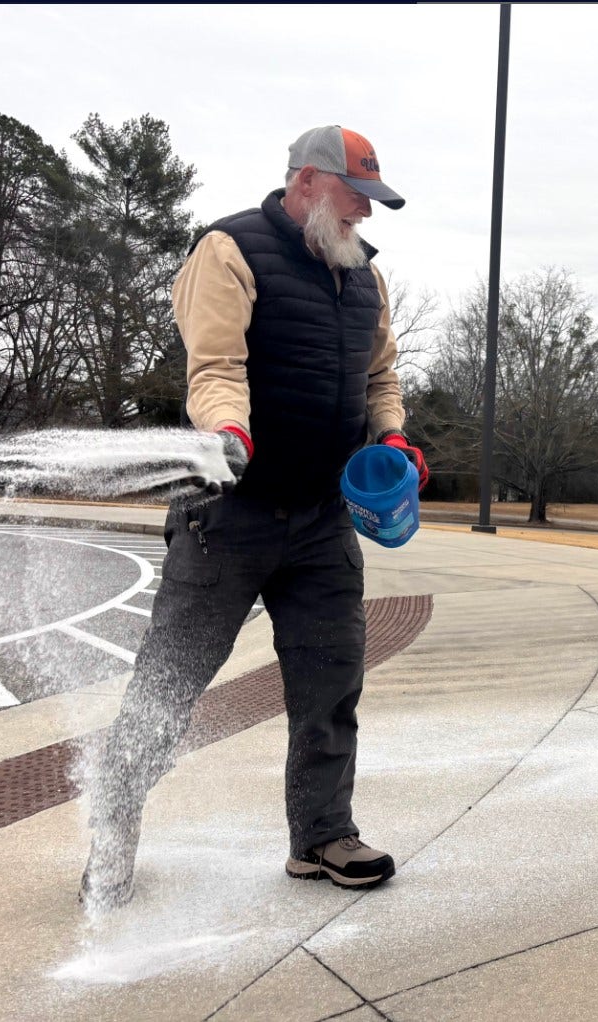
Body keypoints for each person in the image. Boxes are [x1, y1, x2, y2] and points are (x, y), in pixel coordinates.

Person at [80, 125, 429, 909]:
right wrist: (228, 433)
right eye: (355, 198)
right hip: (228, 516)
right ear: (307, 184)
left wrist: (395, 435)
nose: (365, 217)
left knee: (330, 685)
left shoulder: (364, 278)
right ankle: (111, 835)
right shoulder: (229, 250)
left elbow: (382, 377)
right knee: (168, 685)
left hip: (321, 520)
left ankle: (321, 836)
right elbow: (216, 365)